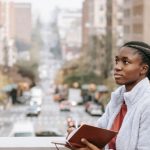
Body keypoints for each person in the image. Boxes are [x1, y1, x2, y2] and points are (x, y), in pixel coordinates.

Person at [67, 41, 150, 150]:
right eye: (117, 61)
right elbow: (100, 133)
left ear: (143, 69)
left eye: (125, 62)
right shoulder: (118, 98)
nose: (117, 67)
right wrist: (78, 135)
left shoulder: (147, 104)